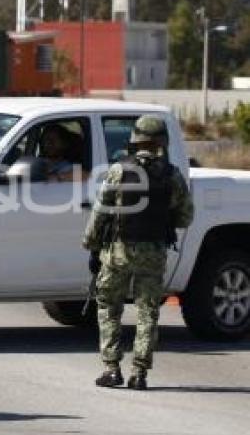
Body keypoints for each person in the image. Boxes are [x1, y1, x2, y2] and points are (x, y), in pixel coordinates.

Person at [83, 114, 194, 390]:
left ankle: (111, 369)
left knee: (108, 306)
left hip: (118, 251)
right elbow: (185, 217)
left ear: (135, 139)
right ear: (161, 143)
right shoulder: (173, 175)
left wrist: (91, 243)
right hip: (154, 252)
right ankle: (139, 373)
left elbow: (100, 211)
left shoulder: (118, 170)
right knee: (147, 312)